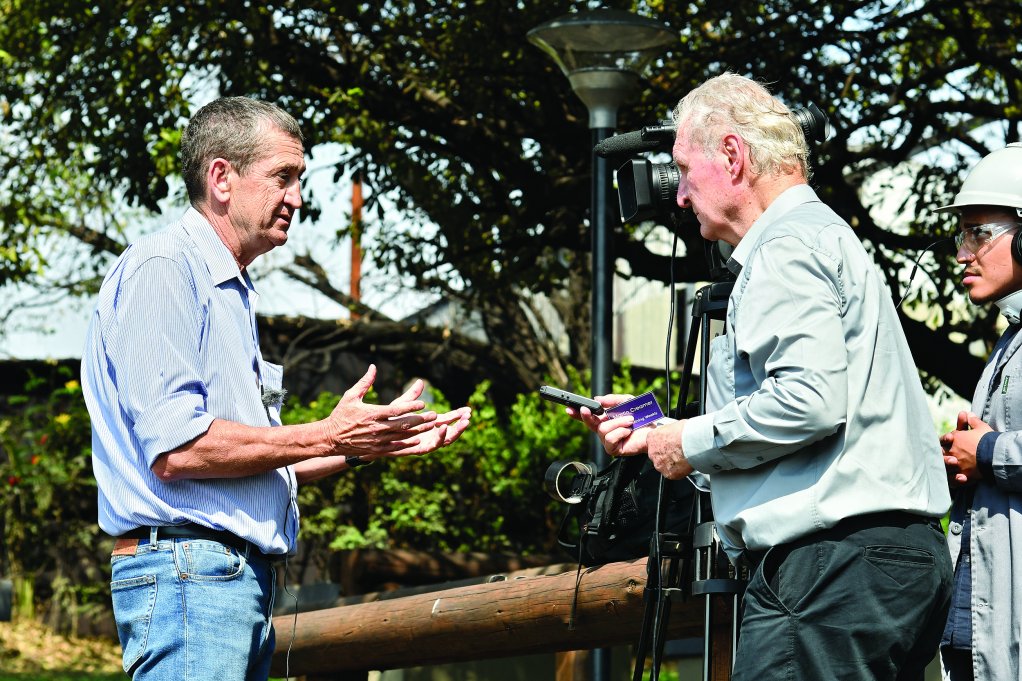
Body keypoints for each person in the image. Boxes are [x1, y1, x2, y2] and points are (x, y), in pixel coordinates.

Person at [570, 73, 952, 680]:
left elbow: (807, 402)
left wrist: (687, 443)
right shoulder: (822, 237)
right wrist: (662, 430)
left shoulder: (784, 247)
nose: (679, 195)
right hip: (879, 564)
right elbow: (803, 398)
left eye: (683, 169)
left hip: (828, 570)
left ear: (732, 154)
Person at [80, 96, 472, 680]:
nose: (297, 197)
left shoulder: (228, 287)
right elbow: (180, 450)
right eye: (282, 177)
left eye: (300, 180)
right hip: (190, 577)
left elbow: (248, 463)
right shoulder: (164, 269)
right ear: (221, 178)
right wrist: (325, 432)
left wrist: (362, 444)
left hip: (220, 581)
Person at [936, 142, 1022, 681]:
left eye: (979, 233)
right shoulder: (1008, 339)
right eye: (961, 234)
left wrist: (988, 451)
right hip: (978, 621)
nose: (964, 253)